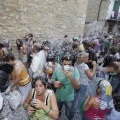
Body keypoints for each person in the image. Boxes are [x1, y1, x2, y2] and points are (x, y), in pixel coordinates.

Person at [52, 52, 80, 120]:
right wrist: (54, 83)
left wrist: (71, 77)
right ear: (62, 62)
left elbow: (77, 87)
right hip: (59, 96)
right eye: (65, 64)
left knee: (69, 113)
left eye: (69, 64)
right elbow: (52, 79)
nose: (67, 66)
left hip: (69, 97)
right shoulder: (57, 69)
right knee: (58, 110)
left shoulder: (75, 71)